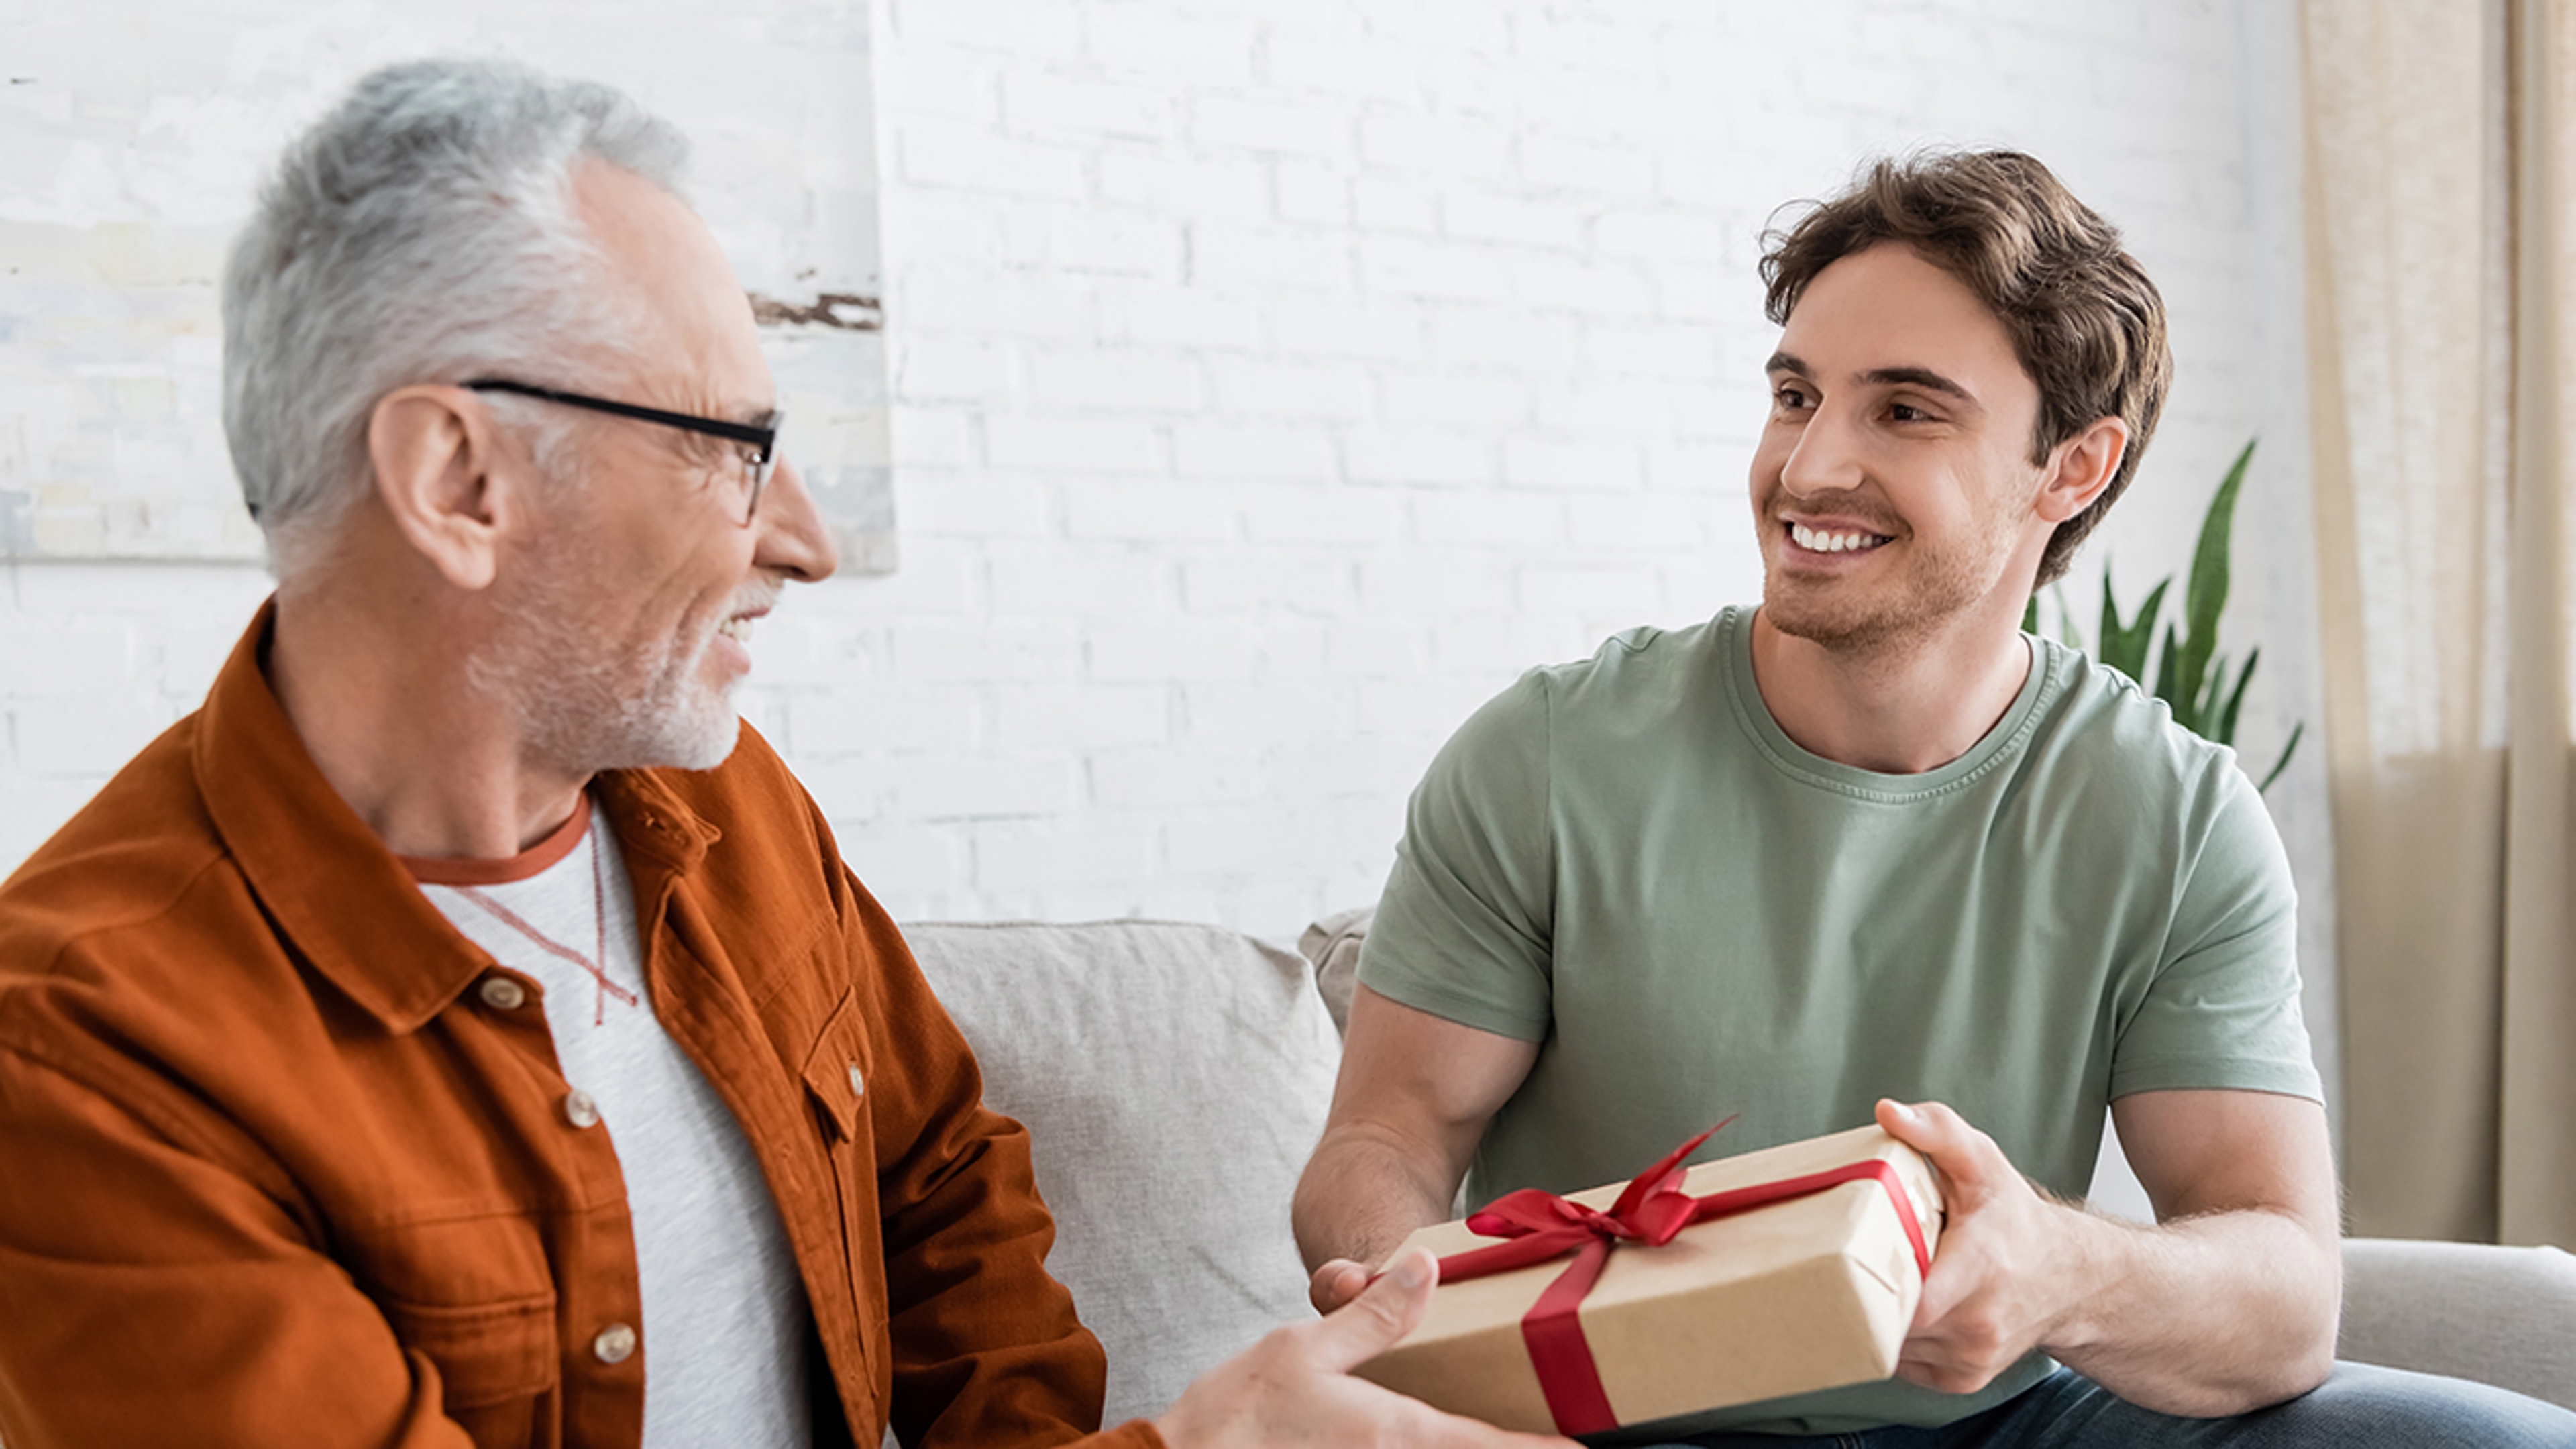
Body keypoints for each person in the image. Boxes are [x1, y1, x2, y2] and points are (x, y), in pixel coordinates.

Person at [0, 59, 1569, 1449]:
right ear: (458, 476)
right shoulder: (81, 1062)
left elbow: (940, 1177)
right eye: (731, 450)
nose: (805, 541)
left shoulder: (716, 801)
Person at [1291, 151, 2576, 1445]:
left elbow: (2288, 1299)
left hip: (2001, 1419)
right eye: (1797, 396)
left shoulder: (2175, 815)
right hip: (1621, 1419)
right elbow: (1390, 1135)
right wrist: (1411, 1312)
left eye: (1904, 411)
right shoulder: (1547, 755)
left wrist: (2066, 1273)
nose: (1808, 468)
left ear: (2072, 469)